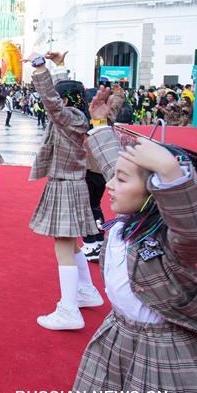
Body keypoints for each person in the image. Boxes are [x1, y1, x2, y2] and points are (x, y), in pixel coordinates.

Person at [72, 86, 197, 393]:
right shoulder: (130, 217)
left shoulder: (172, 240)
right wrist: (98, 122)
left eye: (121, 179)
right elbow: (116, 159)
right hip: (119, 329)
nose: (109, 184)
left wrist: (173, 174)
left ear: (156, 194)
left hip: (162, 347)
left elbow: (191, 229)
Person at [26, 51, 103, 331]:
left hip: (66, 184)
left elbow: (51, 100)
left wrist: (40, 67)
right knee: (70, 244)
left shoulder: (67, 117)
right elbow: (60, 97)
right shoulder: (77, 117)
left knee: (63, 247)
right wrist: (59, 66)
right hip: (72, 183)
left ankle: (69, 309)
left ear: (65, 101)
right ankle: (86, 291)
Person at [82, 86, 125, 263]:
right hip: (103, 171)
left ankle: (91, 243)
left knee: (87, 207)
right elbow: (115, 104)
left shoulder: (84, 121)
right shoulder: (108, 117)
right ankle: (98, 240)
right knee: (94, 205)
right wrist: (118, 94)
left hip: (90, 169)